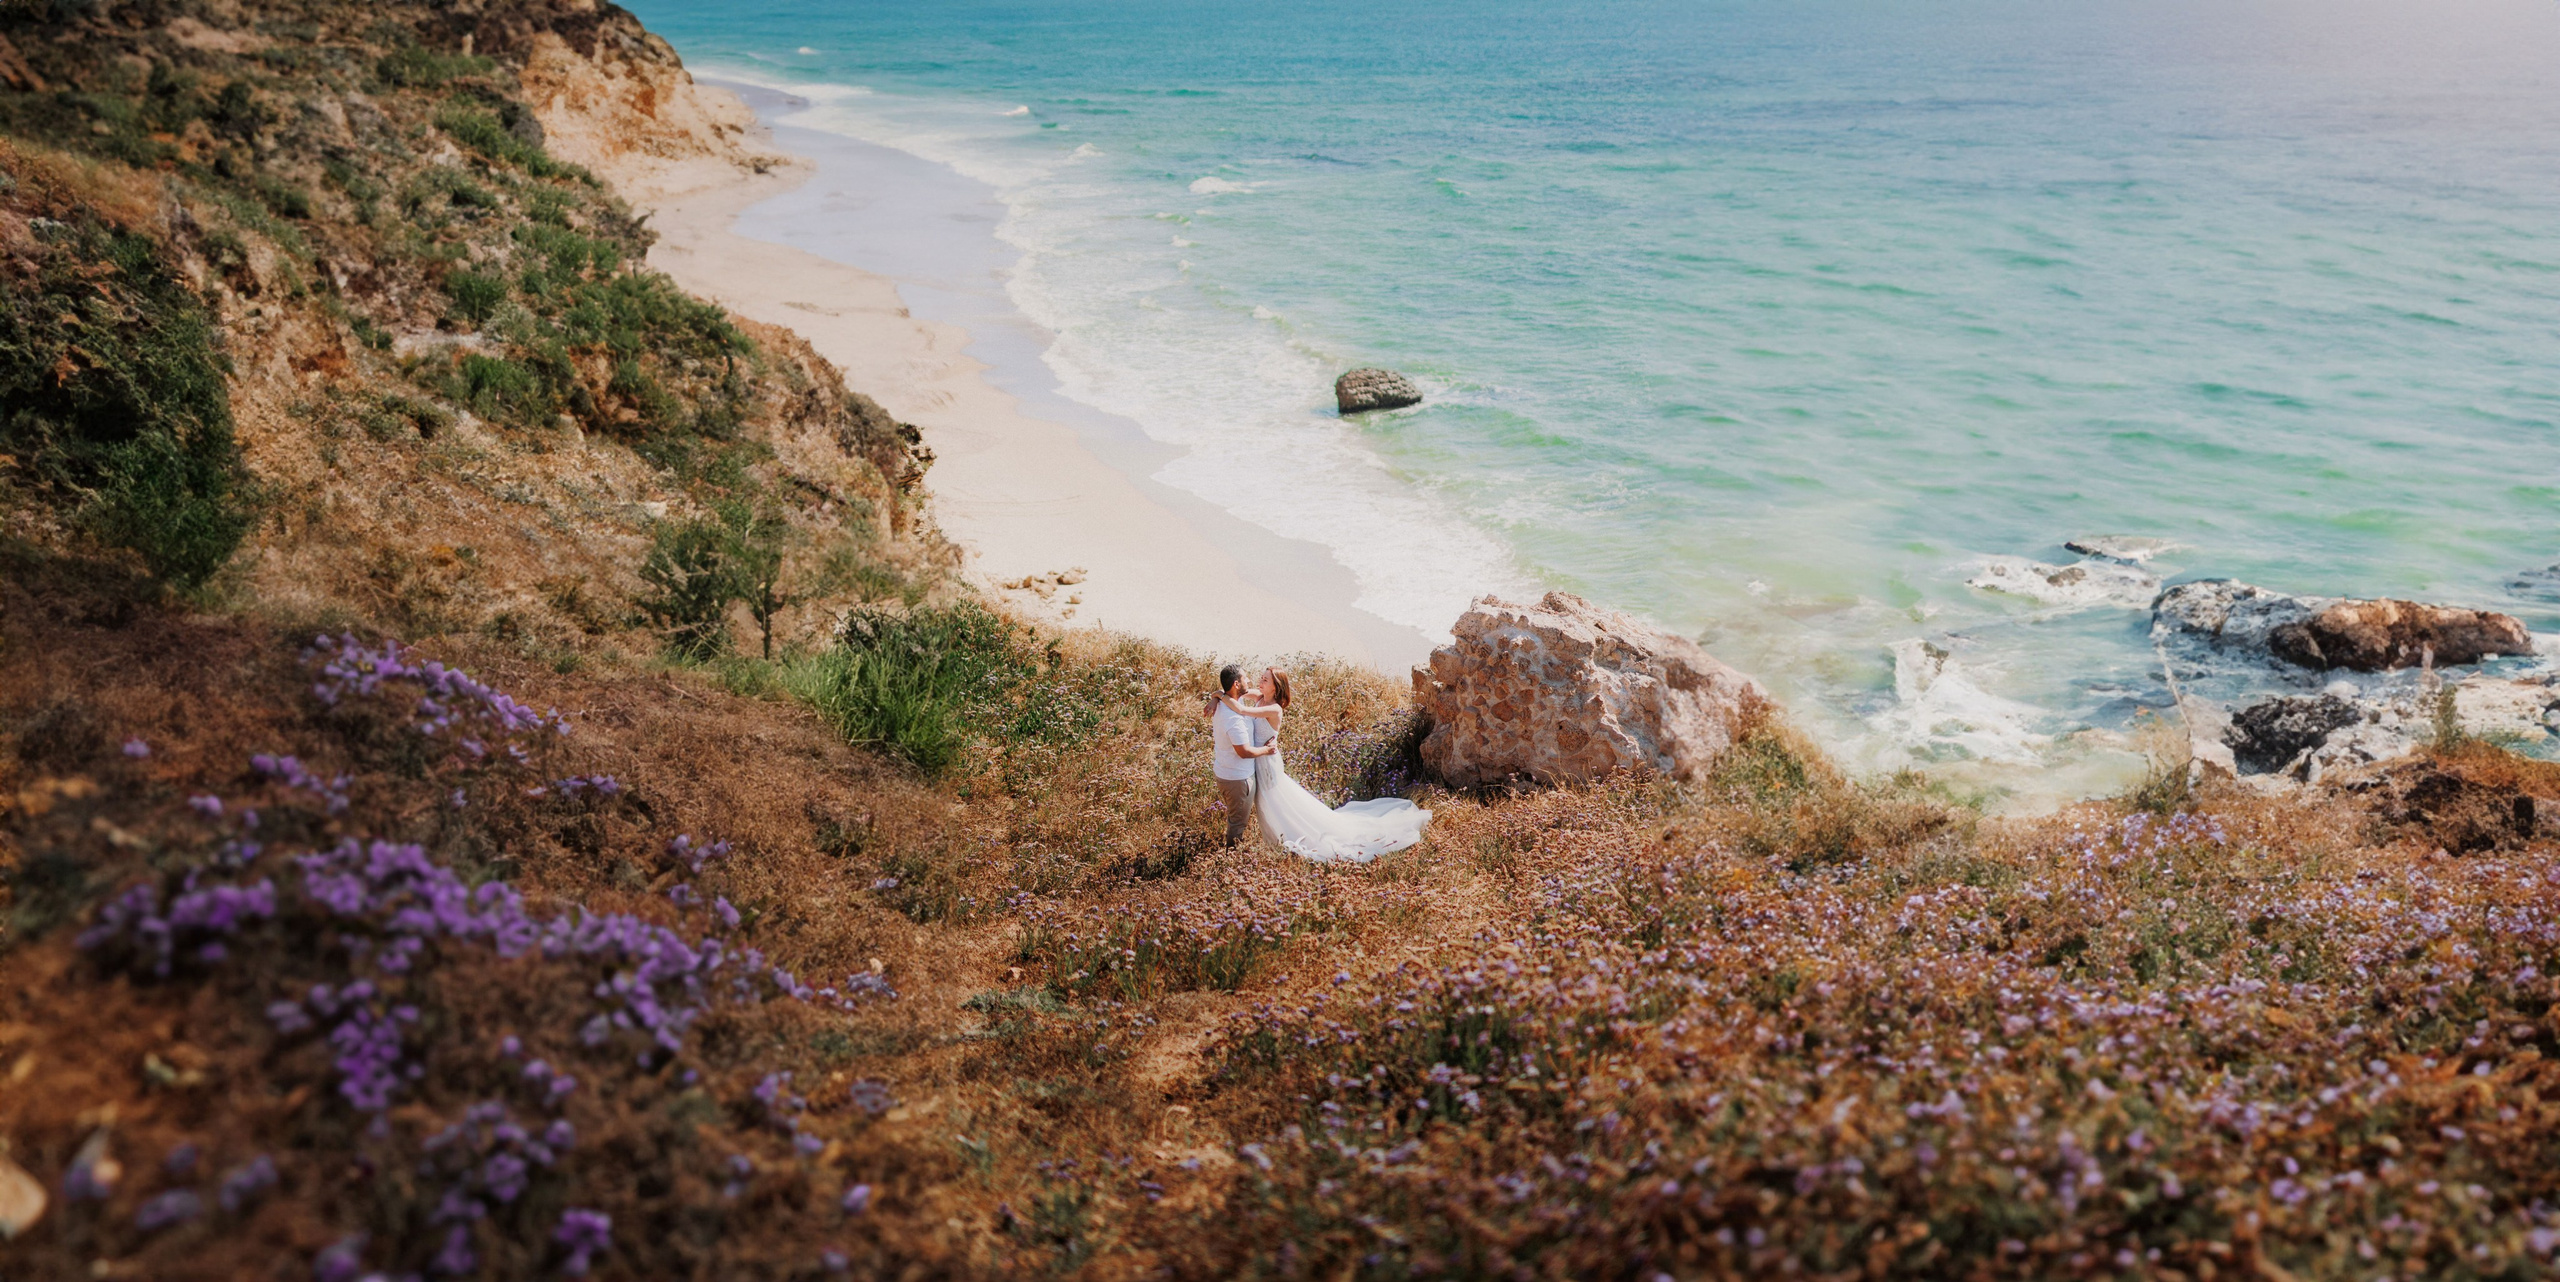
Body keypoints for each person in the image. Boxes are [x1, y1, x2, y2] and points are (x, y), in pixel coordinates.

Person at [1211, 665, 1431, 863]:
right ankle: (1277, 842)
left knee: (1275, 802)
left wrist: (1219, 695)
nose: (1260, 681)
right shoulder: (1260, 696)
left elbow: (1241, 709)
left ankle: (1289, 838)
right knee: (1269, 803)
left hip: (1266, 760)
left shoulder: (1274, 708)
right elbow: (1236, 694)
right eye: (1261, 677)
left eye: (1265, 679)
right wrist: (1216, 696)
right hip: (1259, 758)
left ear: (1276, 688)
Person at [1206, 664, 1276, 847]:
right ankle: (1231, 862)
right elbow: (1244, 751)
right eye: (1246, 678)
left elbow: (1225, 694)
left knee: (1235, 818)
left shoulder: (1233, 700)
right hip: (1238, 778)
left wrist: (1216, 697)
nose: (1251, 681)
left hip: (1228, 771)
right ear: (1237, 684)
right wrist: (1267, 750)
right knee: (1237, 825)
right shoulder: (1234, 717)